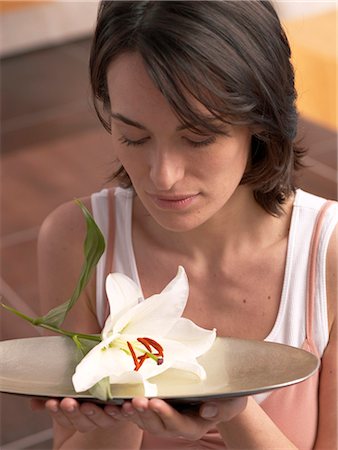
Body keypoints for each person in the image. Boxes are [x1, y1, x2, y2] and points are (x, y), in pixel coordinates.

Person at [32, 1, 337, 449]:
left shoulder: (327, 254)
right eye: (134, 136)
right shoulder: (75, 240)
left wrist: (233, 409)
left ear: (261, 121)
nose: (162, 176)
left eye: (198, 137)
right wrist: (124, 405)